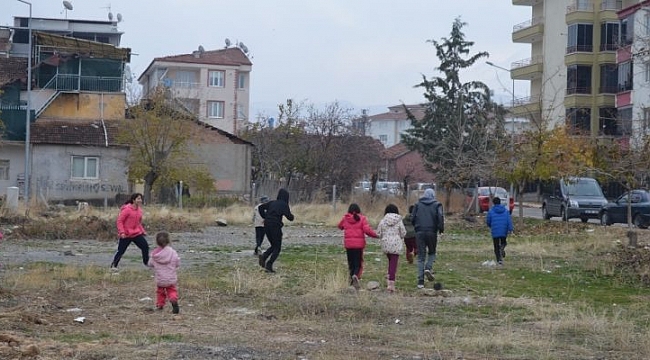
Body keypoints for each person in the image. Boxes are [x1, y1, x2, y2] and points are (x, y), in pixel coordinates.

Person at [338, 203, 378, 290]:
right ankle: (356, 275)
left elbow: (340, 226)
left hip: (348, 245)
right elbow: (367, 230)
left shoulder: (345, 218)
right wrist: (376, 235)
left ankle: (351, 280)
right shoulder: (362, 218)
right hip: (359, 245)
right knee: (358, 263)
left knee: (351, 263)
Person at [410, 188, 444, 289]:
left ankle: (420, 281)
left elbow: (412, 218)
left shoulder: (417, 204)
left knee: (420, 256)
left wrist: (416, 227)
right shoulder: (437, 204)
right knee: (432, 252)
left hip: (419, 231)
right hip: (432, 232)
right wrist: (441, 229)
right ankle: (428, 268)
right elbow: (440, 217)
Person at [258, 188, 294, 273]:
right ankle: (269, 265)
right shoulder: (284, 205)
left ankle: (264, 256)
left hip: (266, 225)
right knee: (277, 247)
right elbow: (290, 218)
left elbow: (260, 207)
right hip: (275, 226)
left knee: (274, 245)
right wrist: (292, 215)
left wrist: (265, 216)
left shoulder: (272, 203)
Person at [111, 193, 149, 270]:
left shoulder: (139, 210)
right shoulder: (127, 209)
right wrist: (122, 232)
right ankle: (113, 266)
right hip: (126, 234)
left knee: (145, 247)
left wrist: (142, 231)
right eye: (138, 199)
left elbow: (138, 223)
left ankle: (147, 263)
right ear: (133, 200)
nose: (140, 200)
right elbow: (119, 221)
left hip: (136, 234)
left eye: (140, 199)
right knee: (121, 251)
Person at [148, 231, 181, 314]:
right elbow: (177, 263)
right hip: (171, 278)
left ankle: (160, 305)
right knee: (172, 290)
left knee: (160, 292)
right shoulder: (172, 252)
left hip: (160, 279)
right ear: (169, 241)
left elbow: (150, 264)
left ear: (156, 242)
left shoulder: (155, 254)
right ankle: (173, 300)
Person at [376, 204, 406, 293]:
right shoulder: (399, 221)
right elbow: (403, 232)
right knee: (393, 263)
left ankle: (389, 275)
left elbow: (378, 233)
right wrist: (399, 236)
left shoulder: (383, 221)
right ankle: (391, 283)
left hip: (386, 244)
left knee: (390, 261)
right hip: (396, 244)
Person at [486, 197, 514, 266]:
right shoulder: (505, 211)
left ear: (493, 203)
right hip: (504, 230)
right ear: (500, 202)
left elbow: (488, 221)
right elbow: (509, 221)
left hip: (495, 231)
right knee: (503, 242)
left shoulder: (491, 211)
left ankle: (499, 260)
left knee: (496, 246)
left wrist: (490, 226)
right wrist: (510, 229)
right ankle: (502, 248)